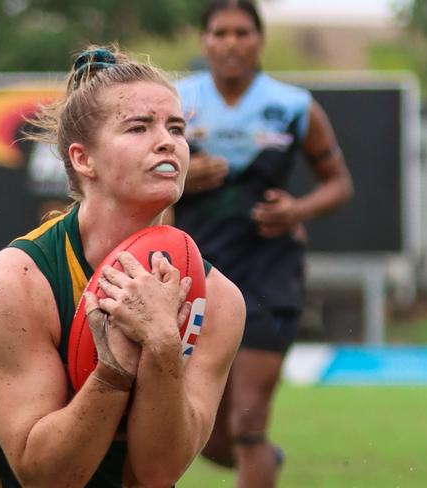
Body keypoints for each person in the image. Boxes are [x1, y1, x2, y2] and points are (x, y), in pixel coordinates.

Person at [0, 45, 245, 488]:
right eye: (139, 127)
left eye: (177, 127)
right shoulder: (16, 282)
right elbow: (44, 477)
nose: (167, 140)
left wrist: (162, 343)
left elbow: (159, 472)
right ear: (83, 159)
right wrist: (115, 366)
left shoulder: (221, 300)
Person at [173, 2, 354, 487]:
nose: (231, 42)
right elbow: (141, 178)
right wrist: (183, 178)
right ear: (204, 41)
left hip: (271, 269)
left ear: (259, 40)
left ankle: (257, 452)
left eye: (242, 32)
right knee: (206, 433)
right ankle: (262, 461)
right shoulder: (175, 102)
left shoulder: (294, 105)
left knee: (248, 426)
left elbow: (339, 184)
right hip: (197, 270)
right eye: (220, 32)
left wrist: (297, 210)